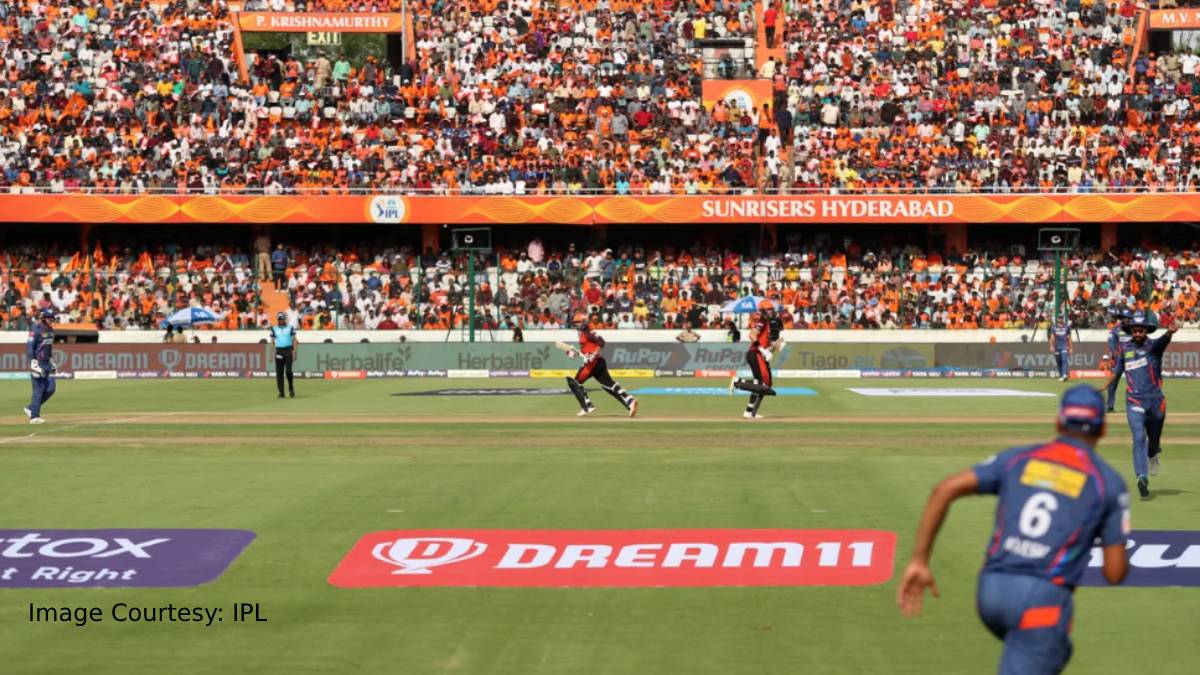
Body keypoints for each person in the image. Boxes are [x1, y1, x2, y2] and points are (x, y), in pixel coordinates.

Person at [898, 385, 1130, 675]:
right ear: (1103, 429)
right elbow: (1114, 572)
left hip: (990, 592)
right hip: (1040, 601)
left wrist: (919, 560)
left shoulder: (1018, 459)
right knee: (1046, 643)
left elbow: (944, 489)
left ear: (1058, 422)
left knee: (1056, 651)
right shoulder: (1107, 482)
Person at [1101, 311, 1178, 497]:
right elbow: (1117, 371)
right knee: (1138, 437)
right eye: (1134, 330)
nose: (1137, 333)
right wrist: (1104, 386)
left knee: (1154, 439)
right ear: (1131, 330)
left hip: (1156, 399)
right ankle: (1141, 477)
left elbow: (1162, 342)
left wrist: (1170, 333)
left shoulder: (1153, 347)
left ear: (1146, 330)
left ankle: (1153, 454)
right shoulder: (1125, 348)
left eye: (1141, 330)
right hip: (1134, 399)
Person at [564, 321, 638, 417]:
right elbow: (586, 350)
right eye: (575, 322)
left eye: (577, 322)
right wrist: (574, 353)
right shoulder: (582, 332)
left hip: (592, 364)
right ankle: (630, 401)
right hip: (598, 362)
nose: (575, 324)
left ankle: (587, 406)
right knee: (608, 385)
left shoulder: (587, 331)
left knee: (574, 382)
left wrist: (594, 354)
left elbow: (601, 342)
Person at [730, 301, 776, 419]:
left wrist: (771, 348)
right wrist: (763, 350)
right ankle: (738, 382)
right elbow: (752, 335)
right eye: (769, 309)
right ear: (763, 311)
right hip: (756, 354)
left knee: (763, 385)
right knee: (764, 384)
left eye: (772, 309)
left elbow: (764, 340)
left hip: (759, 354)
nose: (772, 311)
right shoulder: (762, 321)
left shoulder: (767, 322)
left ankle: (750, 412)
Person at [25, 307, 57, 424]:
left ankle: (31, 408)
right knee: (39, 389)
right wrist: (32, 362)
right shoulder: (36, 329)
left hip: (47, 362)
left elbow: (48, 347)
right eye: (48, 318)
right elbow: (29, 346)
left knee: (51, 388)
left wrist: (52, 361)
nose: (50, 320)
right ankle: (34, 417)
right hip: (38, 362)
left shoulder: (51, 330)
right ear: (43, 317)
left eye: (51, 318)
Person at [1102, 309, 1131, 412]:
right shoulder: (1115, 329)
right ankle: (1110, 405)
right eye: (1124, 318)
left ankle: (1134, 405)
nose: (1126, 320)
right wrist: (1115, 352)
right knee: (1112, 383)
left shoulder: (1134, 329)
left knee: (1134, 383)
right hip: (1119, 360)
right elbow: (1111, 343)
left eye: (1128, 318)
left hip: (1131, 360)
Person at [269, 311, 298, 398]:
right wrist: (271, 355)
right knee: (279, 373)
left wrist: (294, 352)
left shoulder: (290, 328)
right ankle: (281, 393)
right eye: (279, 319)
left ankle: (291, 388)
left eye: (282, 319)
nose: (280, 321)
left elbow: (295, 341)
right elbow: (272, 342)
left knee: (288, 371)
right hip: (279, 351)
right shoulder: (274, 329)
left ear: (285, 320)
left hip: (288, 350)